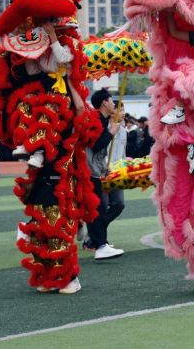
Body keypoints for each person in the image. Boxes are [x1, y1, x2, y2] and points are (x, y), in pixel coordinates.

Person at [83, 89, 126, 260]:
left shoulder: (100, 120)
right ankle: (98, 244)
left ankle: (99, 243)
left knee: (99, 208)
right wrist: (111, 133)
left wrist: (103, 167)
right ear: (104, 103)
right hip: (88, 173)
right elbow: (96, 145)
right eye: (111, 100)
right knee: (96, 208)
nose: (114, 104)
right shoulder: (95, 120)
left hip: (95, 171)